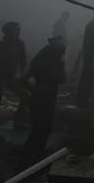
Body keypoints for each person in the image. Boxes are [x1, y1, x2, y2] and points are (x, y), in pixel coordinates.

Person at [21, 36, 66, 165]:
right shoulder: (57, 63)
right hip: (46, 101)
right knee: (44, 129)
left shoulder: (39, 61)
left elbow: (22, 80)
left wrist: (34, 89)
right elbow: (62, 80)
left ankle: (28, 154)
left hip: (36, 99)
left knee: (37, 128)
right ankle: (36, 157)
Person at [0, 22, 28, 139]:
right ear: (9, 32)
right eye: (16, 30)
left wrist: (23, 76)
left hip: (10, 78)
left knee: (24, 96)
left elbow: (23, 62)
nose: (19, 32)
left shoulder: (20, 44)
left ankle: (18, 122)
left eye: (19, 30)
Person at [75, 19, 94, 108]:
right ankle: (83, 103)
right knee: (88, 79)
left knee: (85, 77)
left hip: (89, 55)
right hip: (93, 55)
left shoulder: (90, 24)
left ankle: (81, 102)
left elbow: (85, 43)